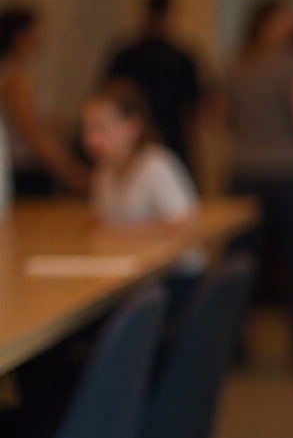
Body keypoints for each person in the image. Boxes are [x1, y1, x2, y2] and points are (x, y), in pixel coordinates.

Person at [222, 0, 293, 369]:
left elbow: (217, 115)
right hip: (289, 173)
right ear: (273, 23)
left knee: (243, 263)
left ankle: (235, 344)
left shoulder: (236, 65)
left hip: (244, 173)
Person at [82, 78, 205, 314]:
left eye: (101, 128)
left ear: (132, 127)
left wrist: (119, 233)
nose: (91, 139)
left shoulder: (155, 165)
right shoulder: (104, 173)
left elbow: (185, 226)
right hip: (133, 280)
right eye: (87, 129)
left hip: (174, 282)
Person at [105, 0, 204, 171]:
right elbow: (193, 111)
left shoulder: (128, 55)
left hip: (155, 138)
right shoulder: (179, 57)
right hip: (152, 138)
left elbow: (193, 109)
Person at [0, 0, 89, 196]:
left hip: (31, 167)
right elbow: (33, 134)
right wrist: (70, 172)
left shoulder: (21, 74)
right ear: (20, 36)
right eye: (37, 28)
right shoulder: (15, 79)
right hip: (26, 171)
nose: (43, 34)